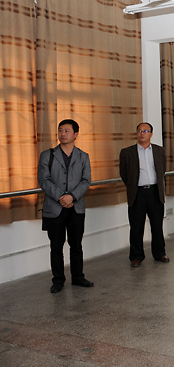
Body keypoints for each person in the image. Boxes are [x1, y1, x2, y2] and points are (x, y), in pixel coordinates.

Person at [37, 119, 93, 293]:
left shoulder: (83, 156)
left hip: (76, 207)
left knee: (76, 245)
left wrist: (72, 197)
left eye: (66, 131)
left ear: (76, 134)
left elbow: (86, 180)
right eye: (60, 130)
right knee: (56, 246)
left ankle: (78, 277)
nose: (62, 133)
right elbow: (43, 180)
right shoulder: (47, 155)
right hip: (54, 208)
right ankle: (58, 280)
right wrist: (61, 197)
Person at [119, 122, 170, 267]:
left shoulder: (159, 151)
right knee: (136, 227)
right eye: (139, 131)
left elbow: (162, 170)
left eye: (145, 131)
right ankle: (136, 256)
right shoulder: (127, 152)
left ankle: (160, 253)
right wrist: (134, 187)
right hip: (137, 193)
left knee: (157, 226)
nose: (142, 133)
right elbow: (124, 174)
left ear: (151, 134)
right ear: (136, 133)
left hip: (155, 192)